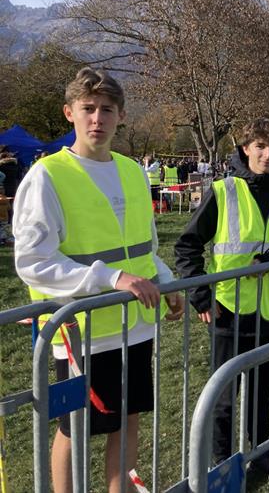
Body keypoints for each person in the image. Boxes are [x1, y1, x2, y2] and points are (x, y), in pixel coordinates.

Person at [13, 67, 183, 493]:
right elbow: (33, 261)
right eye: (88, 108)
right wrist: (112, 277)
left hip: (135, 326)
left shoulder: (132, 171)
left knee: (128, 420)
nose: (97, 118)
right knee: (74, 429)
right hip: (81, 332)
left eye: (107, 109)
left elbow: (144, 247)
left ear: (121, 115)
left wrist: (167, 282)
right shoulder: (47, 176)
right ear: (69, 113)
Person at [174, 117, 269, 480]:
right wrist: (201, 297)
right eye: (261, 147)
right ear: (246, 148)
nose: (268, 155)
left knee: (261, 392)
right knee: (223, 397)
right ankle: (221, 466)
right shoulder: (224, 190)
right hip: (228, 311)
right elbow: (187, 245)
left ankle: (263, 459)